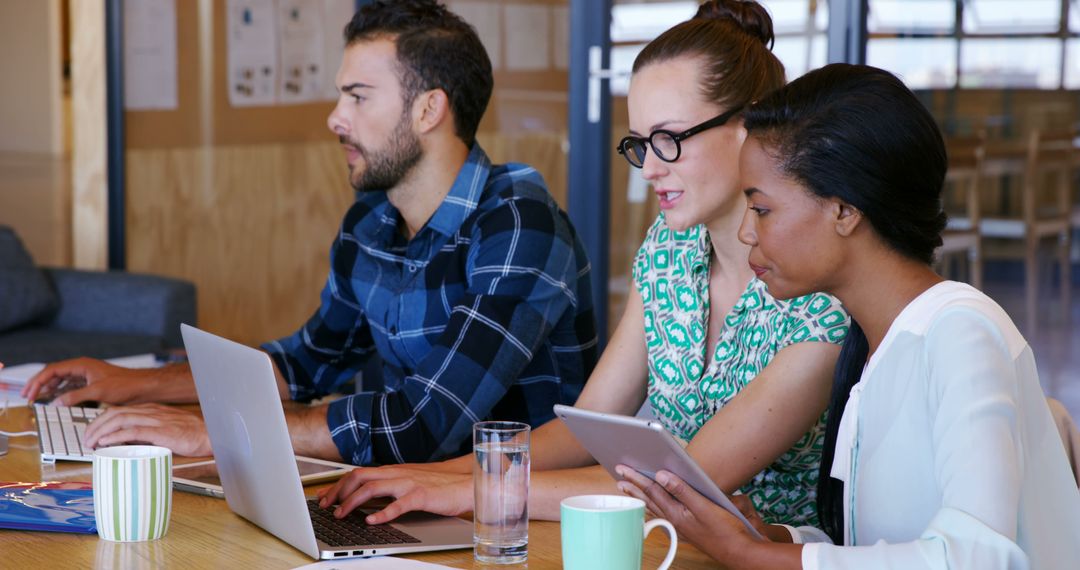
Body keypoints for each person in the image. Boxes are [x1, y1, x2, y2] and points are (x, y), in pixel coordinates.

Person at [315, 0, 848, 531]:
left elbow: (685, 482)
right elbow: (587, 428)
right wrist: (427, 477)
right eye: (641, 144)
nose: (650, 170)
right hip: (661, 545)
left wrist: (465, 489)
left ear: (748, 125)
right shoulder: (670, 250)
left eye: (669, 141)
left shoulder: (819, 294)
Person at [21, 0, 598, 466]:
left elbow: (422, 422)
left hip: (511, 519)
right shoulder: (370, 223)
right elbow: (302, 367)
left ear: (428, 111)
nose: (334, 117)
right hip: (410, 497)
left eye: (357, 96)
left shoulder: (519, 225)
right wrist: (131, 384)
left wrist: (219, 431)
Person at [618, 63, 1080, 568]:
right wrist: (774, 537)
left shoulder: (960, 332)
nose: (748, 233)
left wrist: (747, 554)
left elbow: (976, 557)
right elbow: (881, 545)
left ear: (844, 211)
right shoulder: (875, 344)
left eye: (762, 209)